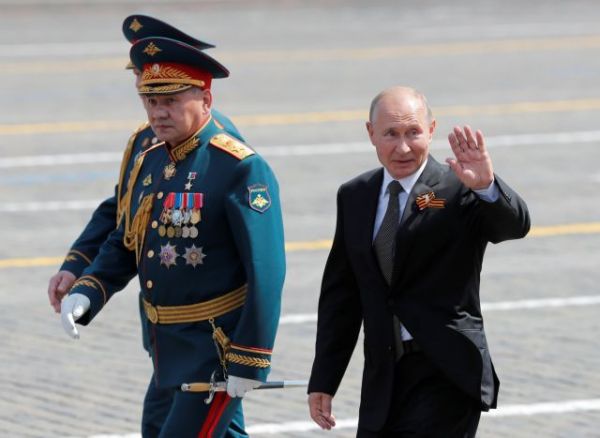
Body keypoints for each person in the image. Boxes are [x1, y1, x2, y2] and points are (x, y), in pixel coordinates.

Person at [59, 36, 286, 438]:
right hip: (167, 346)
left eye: (171, 101)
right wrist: (89, 289)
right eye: (150, 101)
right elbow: (127, 238)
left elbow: (266, 271)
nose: (158, 112)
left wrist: (250, 358)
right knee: (160, 429)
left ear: (205, 99)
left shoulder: (237, 167)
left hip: (214, 349)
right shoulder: (151, 160)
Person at [307, 86, 530, 437]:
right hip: (384, 375)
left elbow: (514, 227)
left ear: (431, 130)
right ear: (371, 134)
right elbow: (342, 296)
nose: (403, 147)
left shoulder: (458, 187)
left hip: (446, 372)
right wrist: (324, 378)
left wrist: (486, 186)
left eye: (413, 132)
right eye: (391, 134)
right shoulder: (355, 195)